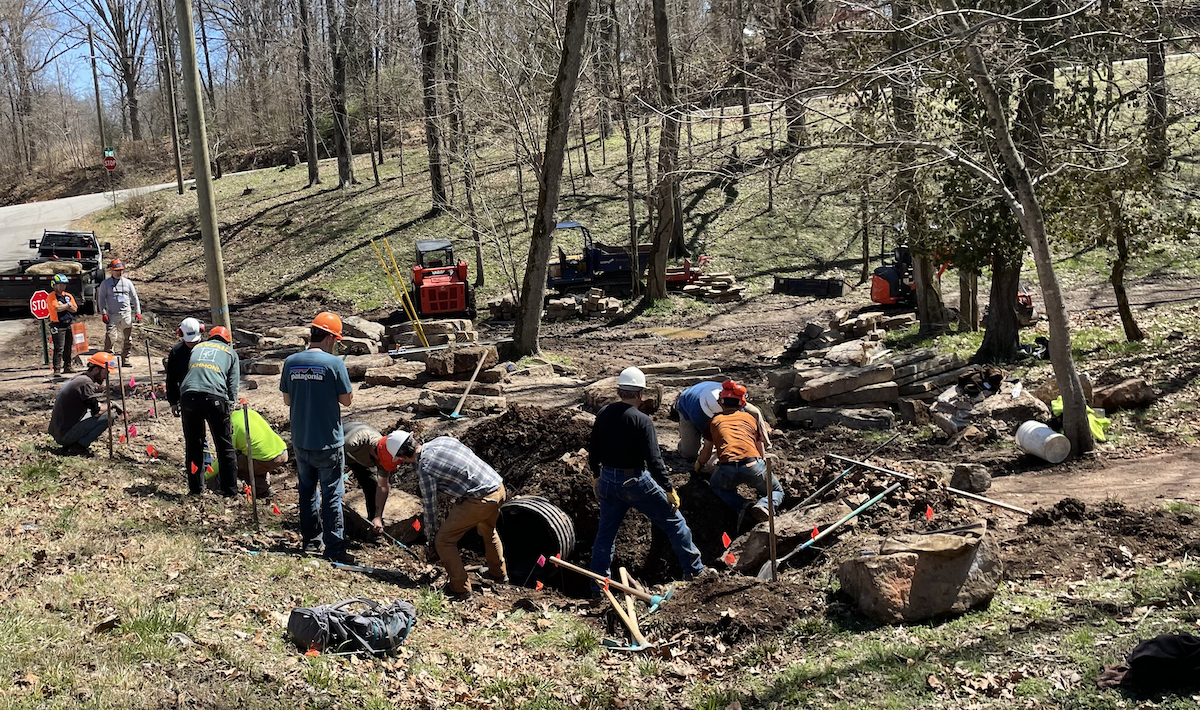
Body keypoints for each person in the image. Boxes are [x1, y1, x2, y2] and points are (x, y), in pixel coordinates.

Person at [589, 367, 704, 590]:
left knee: (605, 536)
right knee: (676, 524)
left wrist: (596, 475)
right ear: (641, 394)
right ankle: (696, 573)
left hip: (607, 481)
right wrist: (668, 488)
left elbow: (594, 448)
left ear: (619, 391)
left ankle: (596, 589)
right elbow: (654, 460)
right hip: (635, 482)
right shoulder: (642, 421)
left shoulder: (603, 414)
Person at [388, 430, 507, 600]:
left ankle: (460, 588)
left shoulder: (425, 469)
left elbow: (430, 507)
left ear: (403, 457)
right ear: (413, 439)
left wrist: (432, 540)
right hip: (497, 487)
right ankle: (498, 574)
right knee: (488, 530)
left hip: (480, 499)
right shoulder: (442, 441)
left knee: (444, 541)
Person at [280, 312, 354, 562]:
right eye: (336, 340)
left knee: (307, 491)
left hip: (301, 440)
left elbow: (287, 399)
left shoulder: (291, 362)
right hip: (329, 442)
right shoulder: (335, 364)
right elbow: (346, 401)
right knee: (332, 493)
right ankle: (335, 550)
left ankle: (311, 542)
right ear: (331, 338)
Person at [698, 380, 781, 527]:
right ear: (742, 403)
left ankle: (743, 505)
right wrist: (760, 466)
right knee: (775, 491)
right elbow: (759, 448)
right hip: (753, 464)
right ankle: (764, 505)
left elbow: (706, 452)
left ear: (720, 402)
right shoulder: (750, 418)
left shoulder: (713, 421)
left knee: (716, 487)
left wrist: (699, 464)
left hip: (727, 469)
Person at [179, 326, 240, 497]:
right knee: (225, 446)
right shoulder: (230, 353)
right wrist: (230, 408)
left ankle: (195, 489)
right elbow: (233, 385)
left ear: (209, 337)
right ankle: (230, 492)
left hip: (188, 395)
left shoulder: (198, 347)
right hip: (215, 397)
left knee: (194, 445)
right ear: (227, 341)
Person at [676, 380, 771, 462]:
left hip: (714, 391)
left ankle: (765, 444)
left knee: (755, 412)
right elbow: (710, 437)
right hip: (687, 404)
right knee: (689, 453)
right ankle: (683, 444)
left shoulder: (730, 399)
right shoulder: (697, 413)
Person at [48, 352, 116, 455]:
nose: (106, 377)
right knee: (109, 416)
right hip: (64, 435)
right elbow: (96, 411)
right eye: (106, 373)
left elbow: (93, 405)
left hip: (58, 430)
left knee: (104, 411)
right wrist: (111, 404)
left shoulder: (80, 378)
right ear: (96, 370)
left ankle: (74, 443)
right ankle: (78, 447)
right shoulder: (86, 383)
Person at [211, 408, 288, 498]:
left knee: (232, 463)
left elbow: (224, 457)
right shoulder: (247, 412)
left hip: (268, 459)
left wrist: (206, 476)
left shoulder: (232, 426)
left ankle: (262, 489)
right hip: (282, 452)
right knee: (252, 454)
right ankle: (264, 480)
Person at [342, 421, 401, 534]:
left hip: (358, 458)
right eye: (381, 463)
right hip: (338, 449)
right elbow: (327, 452)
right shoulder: (353, 441)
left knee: (372, 486)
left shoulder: (387, 453)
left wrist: (378, 516)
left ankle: (373, 528)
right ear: (375, 453)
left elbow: (382, 487)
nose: (381, 466)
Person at [97, 259, 141, 362]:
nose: (119, 272)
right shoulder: (105, 284)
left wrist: (138, 312)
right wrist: (103, 313)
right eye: (117, 270)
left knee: (127, 338)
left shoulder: (128, 283)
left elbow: (134, 297)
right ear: (111, 270)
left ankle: (125, 358)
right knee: (110, 337)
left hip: (126, 314)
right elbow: (101, 299)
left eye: (121, 270)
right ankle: (107, 360)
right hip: (112, 315)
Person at [166, 318, 204, 417]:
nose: (192, 344)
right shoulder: (176, 352)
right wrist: (173, 402)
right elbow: (171, 379)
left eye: (194, 341)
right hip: (187, 398)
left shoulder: (209, 349)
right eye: (189, 341)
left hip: (209, 396)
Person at [48, 273, 78, 377]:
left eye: (64, 285)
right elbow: (57, 308)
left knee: (68, 346)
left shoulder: (68, 296)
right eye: (60, 285)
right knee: (59, 348)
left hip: (69, 323)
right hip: (58, 324)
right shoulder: (51, 296)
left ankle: (67, 366)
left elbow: (74, 309)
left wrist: (65, 306)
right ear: (54, 285)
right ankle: (57, 369)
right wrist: (67, 305)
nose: (62, 287)